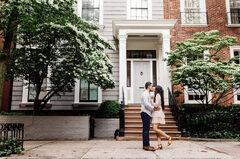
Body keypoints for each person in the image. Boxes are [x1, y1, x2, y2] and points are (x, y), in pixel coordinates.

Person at [151, 85, 172, 150]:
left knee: (154, 128)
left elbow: (156, 105)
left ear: (157, 89)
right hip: (157, 112)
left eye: (154, 87)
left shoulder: (157, 95)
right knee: (157, 130)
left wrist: (151, 100)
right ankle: (159, 144)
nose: (153, 88)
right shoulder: (158, 95)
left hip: (157, 113)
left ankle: (168, 137)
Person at [140, 82, 160, 151]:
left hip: (146, 113)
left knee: (146, 129)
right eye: (151, 86)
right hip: (145, 113)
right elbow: (146, 104)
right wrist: (153, 108)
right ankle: (146, 146)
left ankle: (145, 145)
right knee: (146, 130)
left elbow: (147, 103)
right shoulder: (145, 93)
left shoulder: (146, 93)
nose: (152, 87)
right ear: (148, 86)